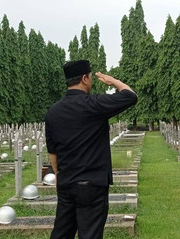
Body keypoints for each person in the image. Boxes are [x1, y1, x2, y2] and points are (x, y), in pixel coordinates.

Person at [44, 60, 137, 239]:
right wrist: (113, 81)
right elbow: (130, 96)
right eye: (91, 77)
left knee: (62, 233)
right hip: (92, 183)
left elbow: (53, 152)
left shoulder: (53, 112)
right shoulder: (94, 104)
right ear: (85, 78)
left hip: (66, 182)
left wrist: (59, 176)